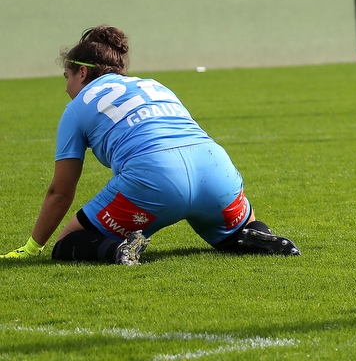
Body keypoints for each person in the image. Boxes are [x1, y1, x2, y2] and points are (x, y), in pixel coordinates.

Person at [2, 26, 300, 266]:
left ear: (82, 72)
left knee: (68, 243)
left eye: (66, 76)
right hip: (214, 166)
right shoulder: (155, 85)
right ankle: (259, 236)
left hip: (155, 177)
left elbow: (60, 192)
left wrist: (32, 248)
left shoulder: (78, 106)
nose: (65, 86)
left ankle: (119, 250)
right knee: (239, 231)